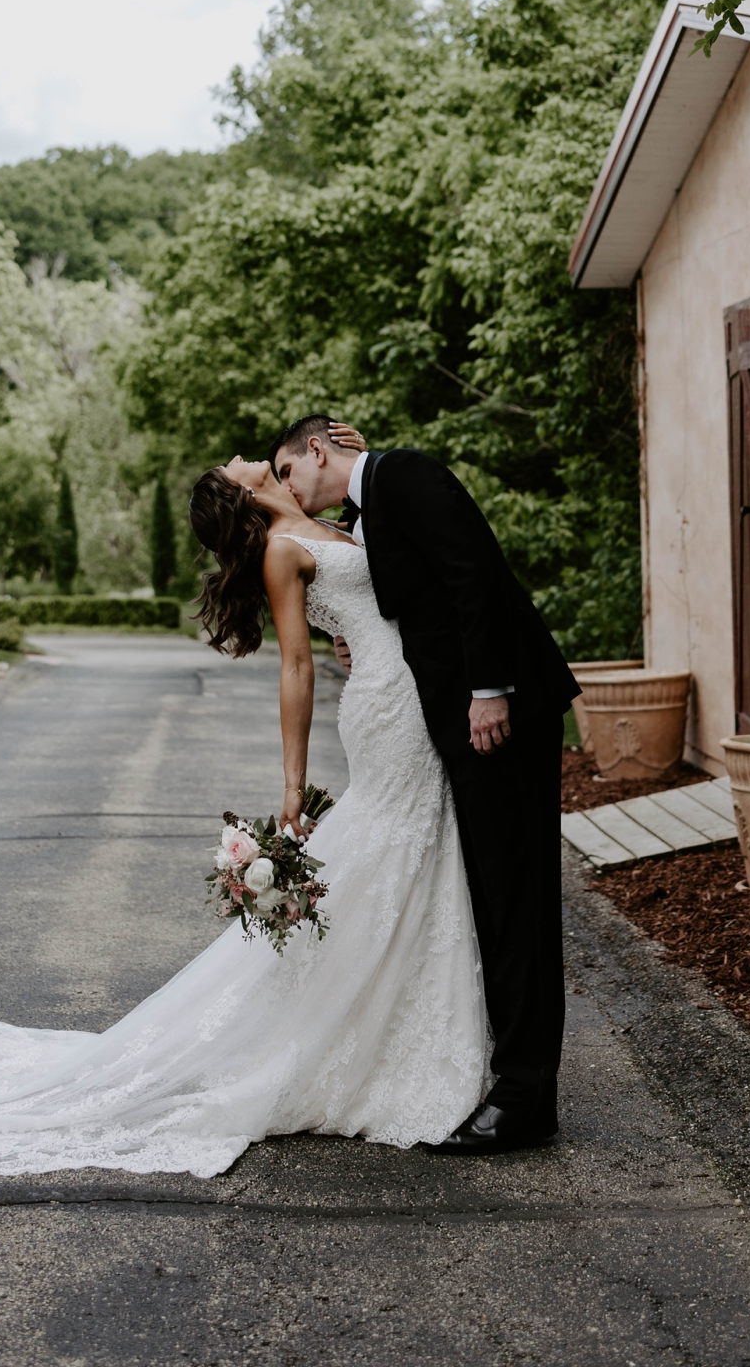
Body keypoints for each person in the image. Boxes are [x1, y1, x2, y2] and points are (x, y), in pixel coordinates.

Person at [0, 451, 488, 1181]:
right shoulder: (285, 550)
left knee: (396, 854)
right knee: (389, 849)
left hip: (411, 682)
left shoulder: (323, 520)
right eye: (238, 463)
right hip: (390, 707)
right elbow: (293, 664)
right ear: (240, 490)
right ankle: (358, 1036)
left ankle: (387, 1019)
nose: (249, 456)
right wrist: (293, 782)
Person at [272, 417, 580, 1155]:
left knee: (517, 900)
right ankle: (515, 1080)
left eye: (287, 472)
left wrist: (489, 689)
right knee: (495, 898)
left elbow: (474, 572)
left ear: (317, 450)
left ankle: (525, 1100)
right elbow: (418, 592)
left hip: (499, 711)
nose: (289, 491)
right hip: (455, 720)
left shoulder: (406, 475)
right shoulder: (370, 504)